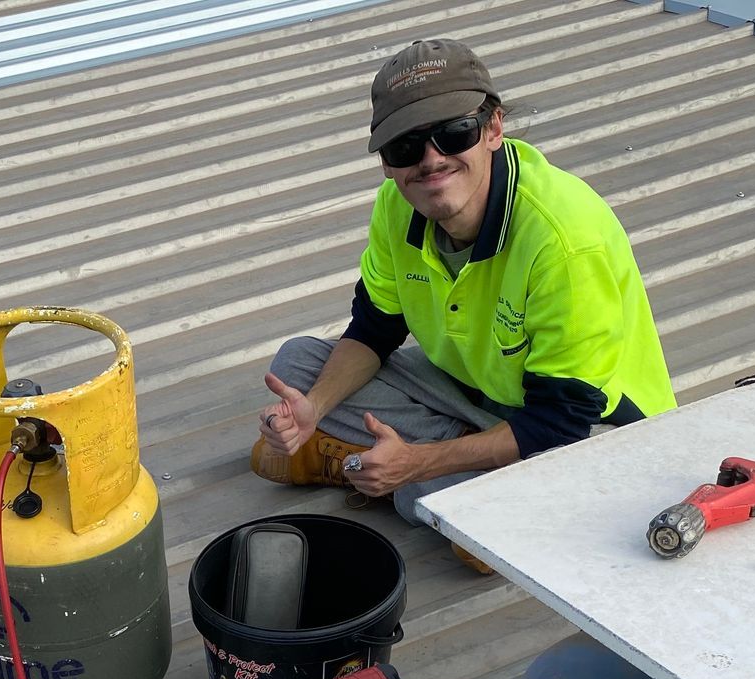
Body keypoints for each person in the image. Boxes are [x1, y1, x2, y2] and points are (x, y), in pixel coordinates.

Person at [253, 38, 675, 564]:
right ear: (387, 163)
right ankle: (435, 477)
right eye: (405, 147)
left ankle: (391, 469)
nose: (431, 161)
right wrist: (312, 411)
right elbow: (373, 330)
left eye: (453, 133)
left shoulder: (564, 240)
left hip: (592, 429)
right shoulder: (396, 205)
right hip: (473, 389)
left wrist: (419, 462)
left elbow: (558, 422)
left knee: (446, 499)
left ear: (494, 128)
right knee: (297, 365)